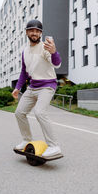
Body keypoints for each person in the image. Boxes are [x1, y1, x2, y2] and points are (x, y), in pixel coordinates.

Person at [12, 19, 62, 159]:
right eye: (32, 30)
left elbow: (56, 64)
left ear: (40, 33)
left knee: (39, 112)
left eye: (38, 31)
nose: (35, 33)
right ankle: (26, 139)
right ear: (27, 32)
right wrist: (17, 88)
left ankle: (54, 146)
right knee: (19, 113)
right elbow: (24, 72)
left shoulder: (45, 47)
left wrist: (54, 52)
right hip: (32, 86)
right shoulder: (25, 51)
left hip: (47, 85)